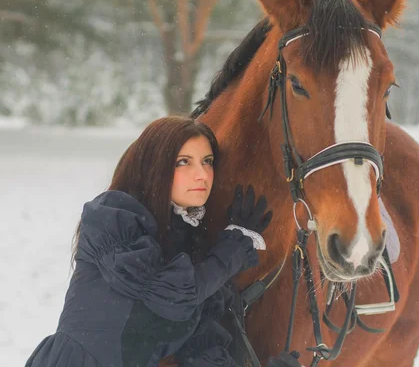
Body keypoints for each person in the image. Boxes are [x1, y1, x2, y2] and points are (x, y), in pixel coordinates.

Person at [25, 116, 273, 367]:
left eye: (207, 162)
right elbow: (171, 293)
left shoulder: (192, 248)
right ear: (155, 165)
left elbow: (201, 350)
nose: (202, 175)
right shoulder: (114, 216)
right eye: (183, 162)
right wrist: (233, 249)